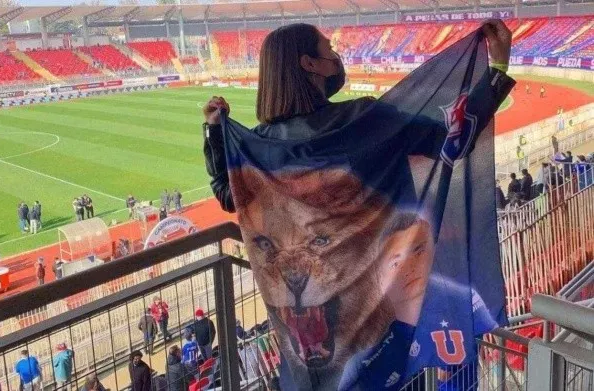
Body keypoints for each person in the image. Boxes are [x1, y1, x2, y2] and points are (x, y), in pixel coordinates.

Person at [201, 21, 513, 389]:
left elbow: (228, 194)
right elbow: (453, 139)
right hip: (382, 321)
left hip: (314, 340)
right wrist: (497, 69)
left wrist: (214, 132)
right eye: (328, 49)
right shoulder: (362, 120)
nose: (337, 55)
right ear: (310, 64)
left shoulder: (262, 145)